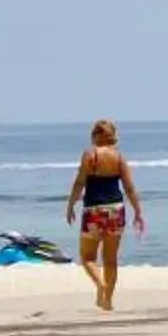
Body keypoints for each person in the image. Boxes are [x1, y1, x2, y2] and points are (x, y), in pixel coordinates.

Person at [63, 118, 145, 310]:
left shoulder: (90, 155)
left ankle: (100, 284)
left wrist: (70, 205)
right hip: (116, 210)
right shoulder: (119, 157)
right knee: (111, 259)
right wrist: (138, 211)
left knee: (88, 257)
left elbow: (80, 183)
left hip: (94, 210)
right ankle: (107, 300)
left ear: (96, 136)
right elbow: (129, 188)